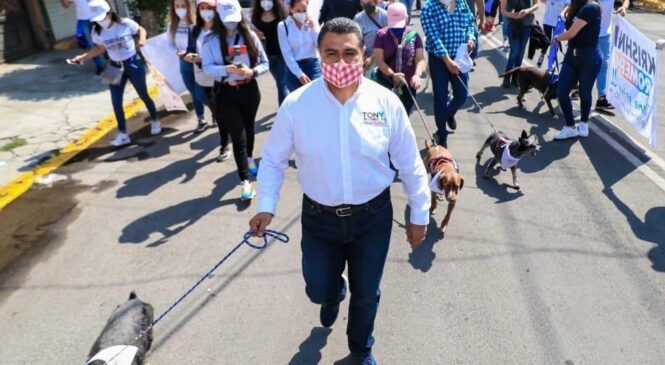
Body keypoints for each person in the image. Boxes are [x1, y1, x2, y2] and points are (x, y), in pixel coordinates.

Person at [249, 17, 430, 365]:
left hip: (373, 217)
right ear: (319, 55)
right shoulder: (297, 105)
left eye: (349, 53)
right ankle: (333, 292)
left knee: (368, 293)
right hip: (320, 219)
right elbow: (272, 161)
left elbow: (410, 164)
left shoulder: (385, 103)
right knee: (318, 288)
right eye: (331, 53)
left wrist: (419, 214)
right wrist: (266, 206)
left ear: (364, 56)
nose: (341, 62)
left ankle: (361, 350)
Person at [201, 0, 269, 199]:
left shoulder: (249, 36)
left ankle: (249, 157)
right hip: (226, 92)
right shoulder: (210, 40)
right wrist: (226, 70)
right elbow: (207, 67)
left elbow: (265, 63)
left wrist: (252, 71)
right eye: (227, 20)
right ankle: (245, 181)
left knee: (249, 129)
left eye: (234, 20)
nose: (231, 24)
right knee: (238, 136)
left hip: (249, 90)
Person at [71, 0, 161, 147]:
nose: (100, 22)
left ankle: (155, 120)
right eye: (96, 20)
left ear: (109, 13)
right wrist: (83, 57)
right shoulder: (96, 31)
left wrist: (142, 39)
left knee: (143, 94)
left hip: (133, 63)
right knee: (116, 101)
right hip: (113, 66)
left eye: (102, 18)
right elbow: (100, 49)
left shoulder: (125, 23)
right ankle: (123, 133)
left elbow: (141, 30)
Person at [421, 0, 476, 147]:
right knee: (440, 98)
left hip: (459, 56)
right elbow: (433, 37)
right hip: (439, 59)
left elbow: (470, 20)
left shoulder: (461, 2)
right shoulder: (429, 7)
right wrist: (447, 61)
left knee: (462, 94)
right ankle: (441, 133)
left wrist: (471, 37)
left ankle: (449, 113)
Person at [185, 0, 232, 162]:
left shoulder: (223, 28)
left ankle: (225, 144)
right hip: (202, 76)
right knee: (212, 106)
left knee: (220, 111)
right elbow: (189, 50)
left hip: (220, 76)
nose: (205, 11)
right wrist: (189, 56)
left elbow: (228, 53)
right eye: (202, 8)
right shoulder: (194, 29)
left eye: (209, 8)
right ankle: (226, 127)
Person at [552, 0, 601, 140]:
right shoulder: (574, 6)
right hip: (571, 57)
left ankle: (584, 123)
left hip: (589, 59)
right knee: (561, 92)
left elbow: (571, 33)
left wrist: (556, 38)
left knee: (585, 94)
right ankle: (570, 127)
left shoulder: (591, 7)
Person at [373, 2, 426, 114]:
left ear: (407, 18)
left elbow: (420, 60)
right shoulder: (381, 35)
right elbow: (379, 61)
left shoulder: (414, 35)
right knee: (386, 114)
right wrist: (392, 74)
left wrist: (417, 75)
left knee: (404, 113)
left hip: (408, 84)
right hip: (386, 82)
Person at [169, 0, 209, 133]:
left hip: (197, 62)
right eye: (177, 6)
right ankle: (201, 118)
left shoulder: (197, 23)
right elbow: (169, 44)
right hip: (183, 63)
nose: (180, 9)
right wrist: (178, 53)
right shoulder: (172, 26)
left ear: (189, 6)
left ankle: (216, 112)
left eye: (183, 6)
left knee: (201, 92)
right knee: (193, 93)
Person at [252, 0, 290, 105]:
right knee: (281, 82)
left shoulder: (281, 15)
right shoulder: (256, 18)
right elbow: (253, 38)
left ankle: (284, 112)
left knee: (281, 83)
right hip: (268, 55)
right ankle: (291, 101)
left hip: (282, 54)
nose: (266, 2)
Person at [278, 0, 322, 92]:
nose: (302, 13)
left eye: (304, 10)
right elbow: (287, 54)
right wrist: (299, 74)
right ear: (291, 9)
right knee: (298, 101)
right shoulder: (283, 26)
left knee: (316, 94)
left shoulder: (311, 22)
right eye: (298, 11)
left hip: (312, 65)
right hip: (294, 68)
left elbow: (319, 45)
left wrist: (313, 28)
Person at [594, 0, 629, 110]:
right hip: (589, 33)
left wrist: (623, 7)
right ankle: (576, 87)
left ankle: (601, 97)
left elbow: (625, 0)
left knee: (604, 65)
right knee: (584, 63)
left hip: (605, 35)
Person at [500, 0, 539, 87]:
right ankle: (507, 77)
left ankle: (515, 78)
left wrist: (527, 10)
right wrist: (512, 15)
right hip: (512, 24)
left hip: (526, 24)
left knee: (521, 52)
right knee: (515, 51)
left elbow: (537, 5)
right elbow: (502, 10)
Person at [61, 0, 106, 74]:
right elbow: (65, 5)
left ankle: (114, 58)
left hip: (99, 17)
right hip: (84, 20)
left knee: (107, 39)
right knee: (91, 44)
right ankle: (100, 66)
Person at [353, 0, 388, 70]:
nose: (366, 5)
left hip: (384, 58)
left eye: (369, 3)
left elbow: (386, 41)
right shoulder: (358, 18)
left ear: (376, 2)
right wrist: (363, 56)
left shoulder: (385, 16)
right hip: (366, 59)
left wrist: (372, 58)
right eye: (363, 3)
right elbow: (356, 40)